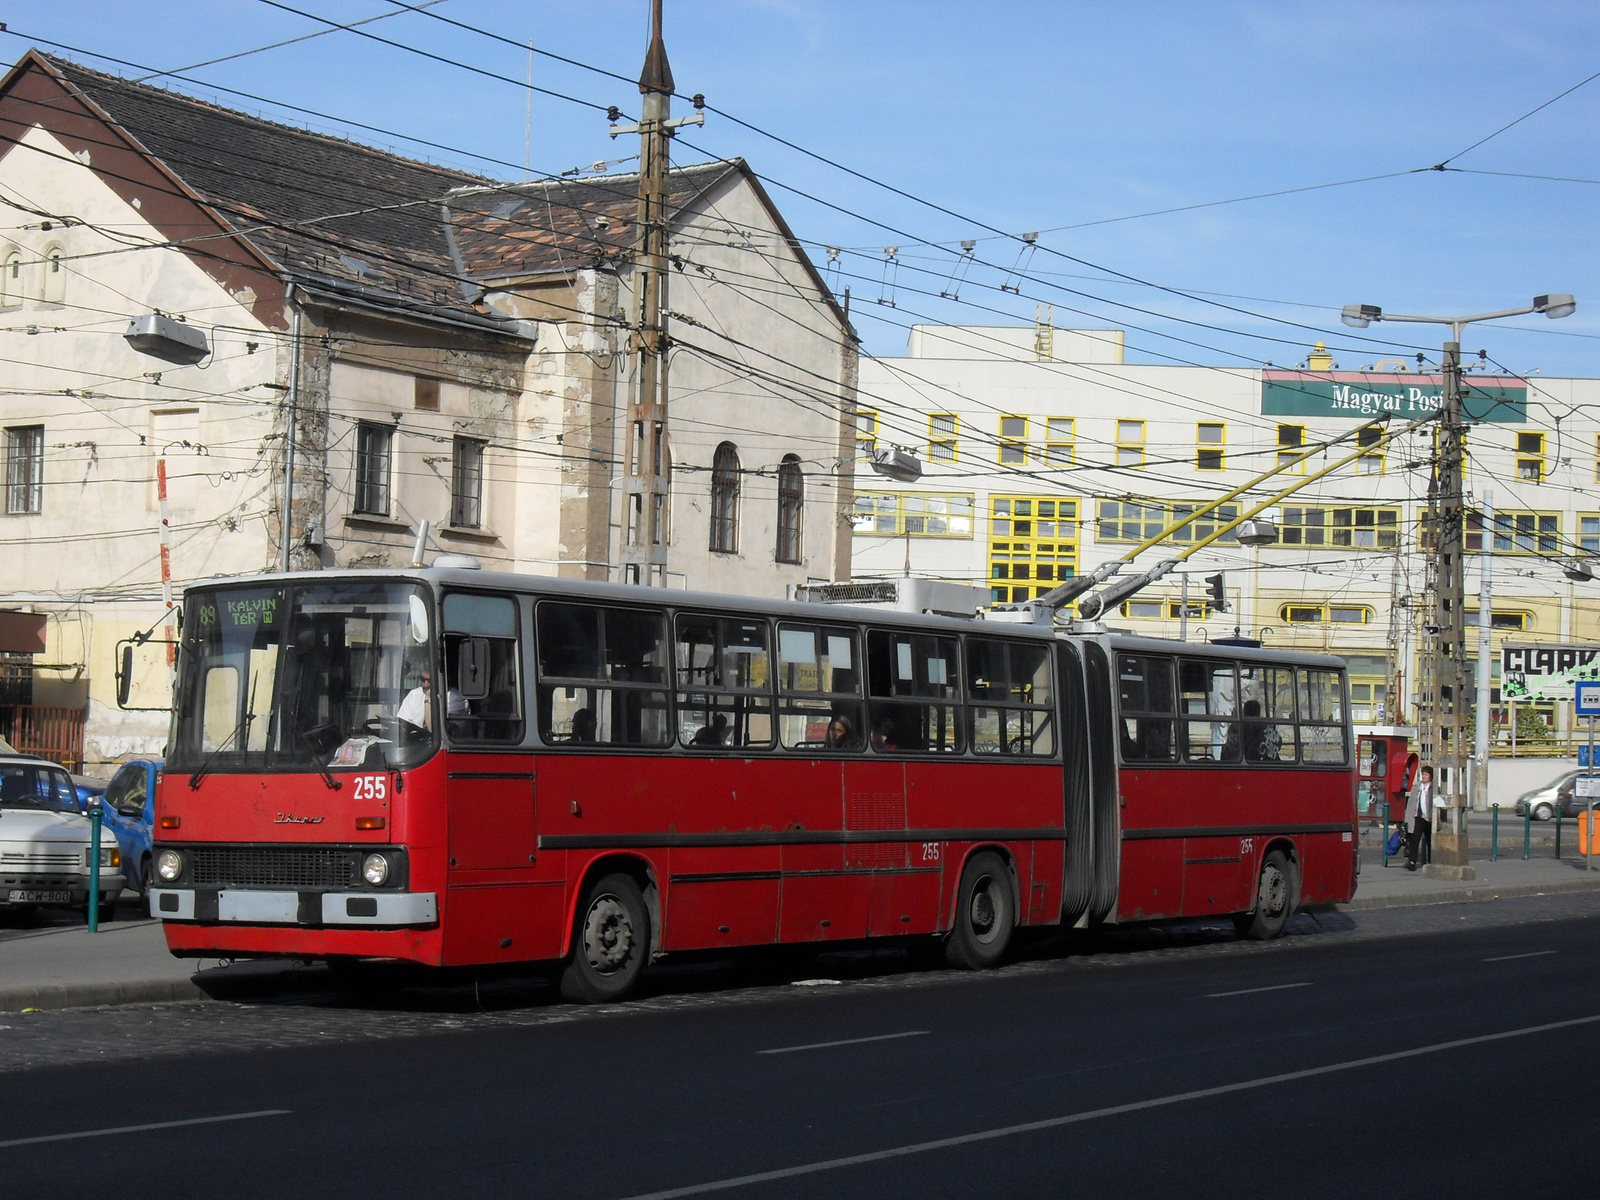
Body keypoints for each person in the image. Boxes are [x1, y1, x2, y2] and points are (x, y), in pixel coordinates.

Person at [1405, 764, 1435, 870]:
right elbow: (1411, 803)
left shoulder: (1434, 788)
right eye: (1423, 774)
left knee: (1430, 841)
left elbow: (1436, 803)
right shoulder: (1417, 787)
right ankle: (1412, 862)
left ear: (1431, 776)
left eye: (1426, 774)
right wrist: (1407, 818)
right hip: (1418, 817)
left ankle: (1432, 861)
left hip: (1430, 819)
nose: (1424, 776)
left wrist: (1431, 816)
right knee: (1414, 840)